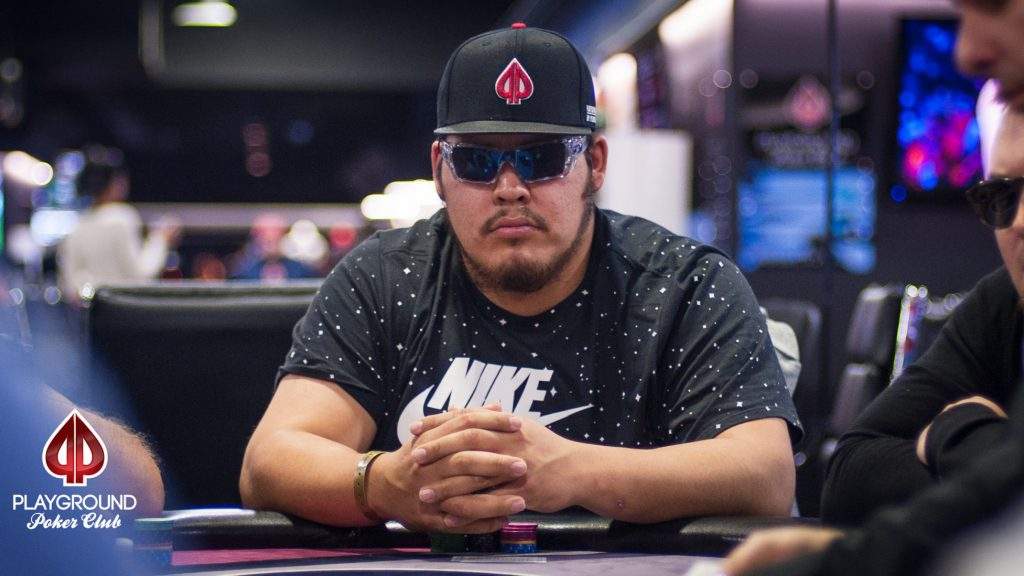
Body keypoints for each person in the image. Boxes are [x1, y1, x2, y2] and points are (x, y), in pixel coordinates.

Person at [241, 24, 800, 533]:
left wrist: (572, 471)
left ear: (595, 164)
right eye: (477, 162)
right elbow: (270, 460)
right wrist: (386, 483)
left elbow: (765, 475)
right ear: (439, 170)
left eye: (543, 158)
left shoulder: (684, 286)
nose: (510, 188)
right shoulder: (383, 277)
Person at [722, 0, 1024, 571]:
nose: (1018, 223)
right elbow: (849, 478)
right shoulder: (1003, 303)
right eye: (1002, 198)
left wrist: (953, 432)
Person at [58, 149, 180, 303]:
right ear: (115, 182)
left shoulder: (78, 225)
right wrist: (160, 239)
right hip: (123, 310)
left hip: (91, 312)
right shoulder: (121, 217)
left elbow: (70, 284)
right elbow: (140, 276)